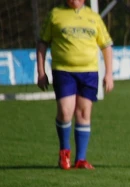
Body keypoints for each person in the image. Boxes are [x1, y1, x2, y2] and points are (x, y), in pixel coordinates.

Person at [36, 0, 114, 170]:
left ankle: (80, 159)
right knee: (65, 111)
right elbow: (42, 42)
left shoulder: (93, 17)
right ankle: (64, 153)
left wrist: (109, 73)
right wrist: (41, 72)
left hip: (89, 72)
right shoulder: (55, 14)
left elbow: (106, 45)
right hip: (64, 71)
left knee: (84, 113)